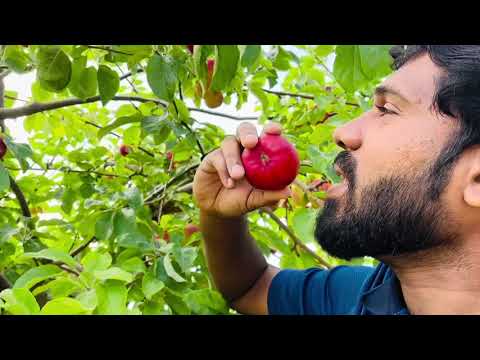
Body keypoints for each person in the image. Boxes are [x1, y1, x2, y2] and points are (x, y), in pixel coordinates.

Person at [192, 45, 480, 315]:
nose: (342, 132)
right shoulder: (363, 296)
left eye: (387, 109)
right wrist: (217, 215)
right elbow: (249, 287)